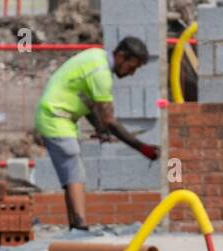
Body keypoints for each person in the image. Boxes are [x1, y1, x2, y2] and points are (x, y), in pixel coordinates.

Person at [34, 37, 159, 231]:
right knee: (74, 172)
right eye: (132, 66)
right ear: (121, 56)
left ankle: (75, 227)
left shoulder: (96, 57)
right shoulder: (101, 74)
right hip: (55, 117)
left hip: (56, 116)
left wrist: (99, 128)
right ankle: (80, 227)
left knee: (72, 174)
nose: (132, 73)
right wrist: (142, 148)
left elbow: (88, 102)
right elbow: (110, 120)